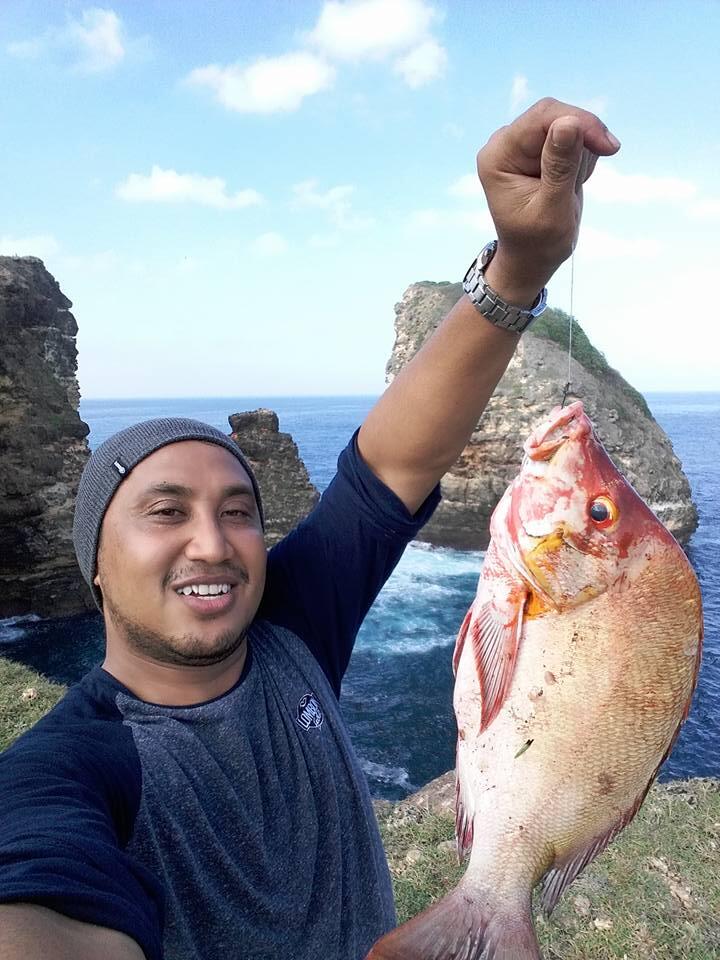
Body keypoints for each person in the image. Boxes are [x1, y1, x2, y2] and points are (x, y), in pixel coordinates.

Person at [0, 98, 619, 960]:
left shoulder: (290, 626)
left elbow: (393, 466)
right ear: (94, 563)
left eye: (240, 512)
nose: (213, 542)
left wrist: (520, 266)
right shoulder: (70, 772)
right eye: (166, 511)